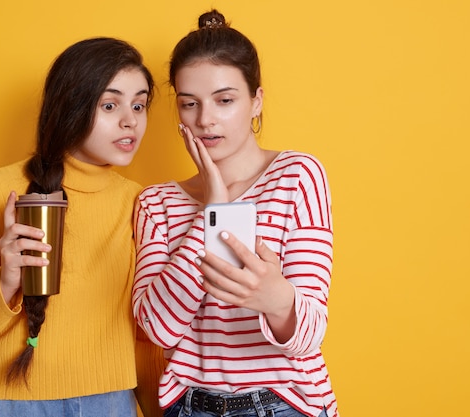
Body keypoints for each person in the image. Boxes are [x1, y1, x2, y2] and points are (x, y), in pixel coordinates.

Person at [0, 37, 162, 417]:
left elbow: (147, 336)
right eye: (110, 104)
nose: (130, 120)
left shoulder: (141, 202)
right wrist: (4, 281)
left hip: (110, 403)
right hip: (2, 404)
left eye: (139, 104)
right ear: (71, 106)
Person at [132, 10, 338, 417]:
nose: (205, 119)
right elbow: (157, 328)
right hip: (189, 406)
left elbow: (309, 334)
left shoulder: (298, 175)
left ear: (256, 100)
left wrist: (277, 300)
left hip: (286, 403)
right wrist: (215, 210)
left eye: (225, 100)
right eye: (190, 104)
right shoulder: (154, 202)